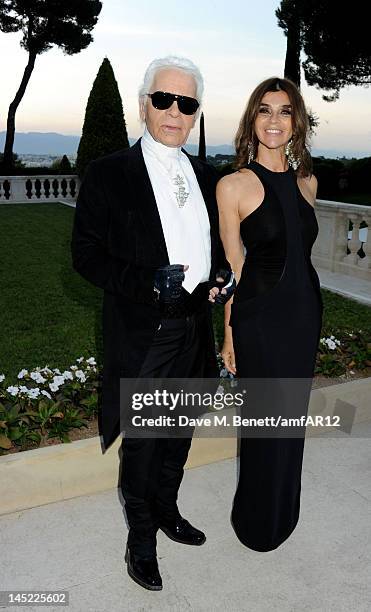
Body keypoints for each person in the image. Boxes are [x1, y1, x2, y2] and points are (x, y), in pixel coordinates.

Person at [71, 55, 233, 591]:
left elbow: (216, 246)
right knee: (143, 441)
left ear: (195, 115)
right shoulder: (109, 173)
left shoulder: (210, 177)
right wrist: (146, 282)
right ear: (144, 105)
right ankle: (140, 537)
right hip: (147, 331)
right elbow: (86, 255)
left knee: (180, 431)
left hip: (194, 328)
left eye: (186, 104)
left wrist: (221, 275)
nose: (173, 111)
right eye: (163, 99)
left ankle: (167, 510)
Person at [209, 77, 323, 551]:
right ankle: (255, 520)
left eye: (284, 111)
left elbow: (303, 255)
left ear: (296, 121)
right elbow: (235, 268)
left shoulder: (308, 182)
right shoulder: (233, 184)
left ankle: (284, 512)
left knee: (290, 422)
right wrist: (230, 336)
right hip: (259, 320)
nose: (273, 120)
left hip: (303, 316)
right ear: (251, 120)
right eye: (264, 110)